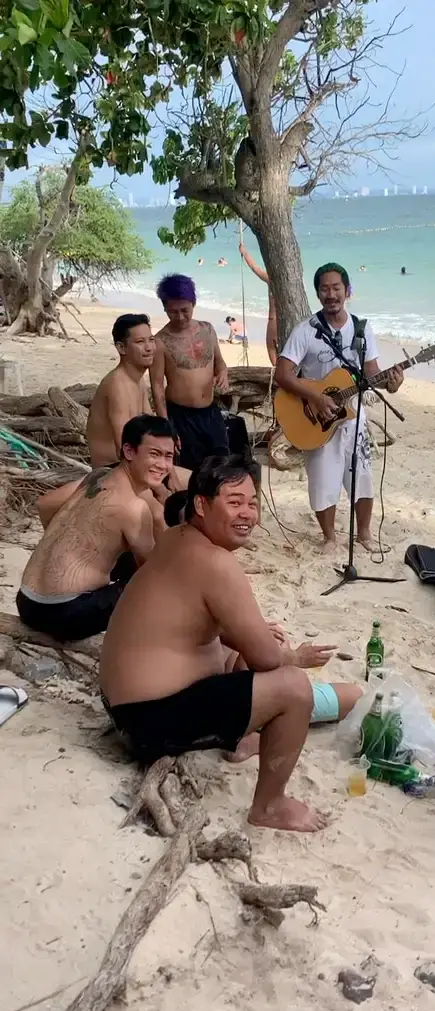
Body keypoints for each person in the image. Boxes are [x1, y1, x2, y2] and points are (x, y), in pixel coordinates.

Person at [100, 457, 362, 832]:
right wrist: (296, 657)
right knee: (292, 686)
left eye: (252, 503)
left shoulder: (176, 536)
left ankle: (244, 739)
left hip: (123, 706)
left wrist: (251, 638)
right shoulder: (215, 563)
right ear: (202, 505)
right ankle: (269, 806)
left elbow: (198, 618)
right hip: (147, 723)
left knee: (243, 643)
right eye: (234, 502)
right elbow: (268, 660)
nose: (247, 514)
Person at [274, 262, 404, 551]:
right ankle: (330, 537)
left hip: (354, 417)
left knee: (364, 476)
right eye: (324, 289)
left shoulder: (362, 329)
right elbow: (282, 375)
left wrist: (390, 382)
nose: (331, 294)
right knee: (322, 482)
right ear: (318, 294)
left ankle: (365, 535)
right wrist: (315, 397)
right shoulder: (305, 331)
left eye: (336, 288)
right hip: (317, 419)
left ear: (347, 290)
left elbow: (372, 375)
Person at [16, 416, 177, 642]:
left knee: (123, 553)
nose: (162, 465)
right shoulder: (133, 507)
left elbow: (45, 504)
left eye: (168, 456)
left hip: (27, 601)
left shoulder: (96, 476)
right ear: (129, 452)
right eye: (154, 454)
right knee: (164, 577)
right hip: (66, 614)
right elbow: (154, 571)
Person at [150, 274, 230, 471]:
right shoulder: (160, 341)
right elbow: (157, 386)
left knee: (221, 467)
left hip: (211, 411)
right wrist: (166, 425)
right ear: (165, 309)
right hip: (181, 415)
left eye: (185, 310)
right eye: (173, 312)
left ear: (193, 303)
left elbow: (220, 363)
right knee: (189, 471)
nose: (180, 317)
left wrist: (223, 374)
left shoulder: (208, 329)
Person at [86, 314, 155, 467]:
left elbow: (152, 430)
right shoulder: (117, 385)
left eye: (151, 340)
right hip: (111, 470)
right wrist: (160, 488)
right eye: (140, 342)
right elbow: (125, 450)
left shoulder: (137, 380)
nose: (149, 348)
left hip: (137, 465)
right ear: (121, 348)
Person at [239, 243, 278, 365]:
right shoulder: (288, 282)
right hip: (279, 321)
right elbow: (254, 267)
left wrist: (244, 252)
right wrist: (244, 252)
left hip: (274, 321)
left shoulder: (271, 280)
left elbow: (254, 267)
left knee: (274, 356)